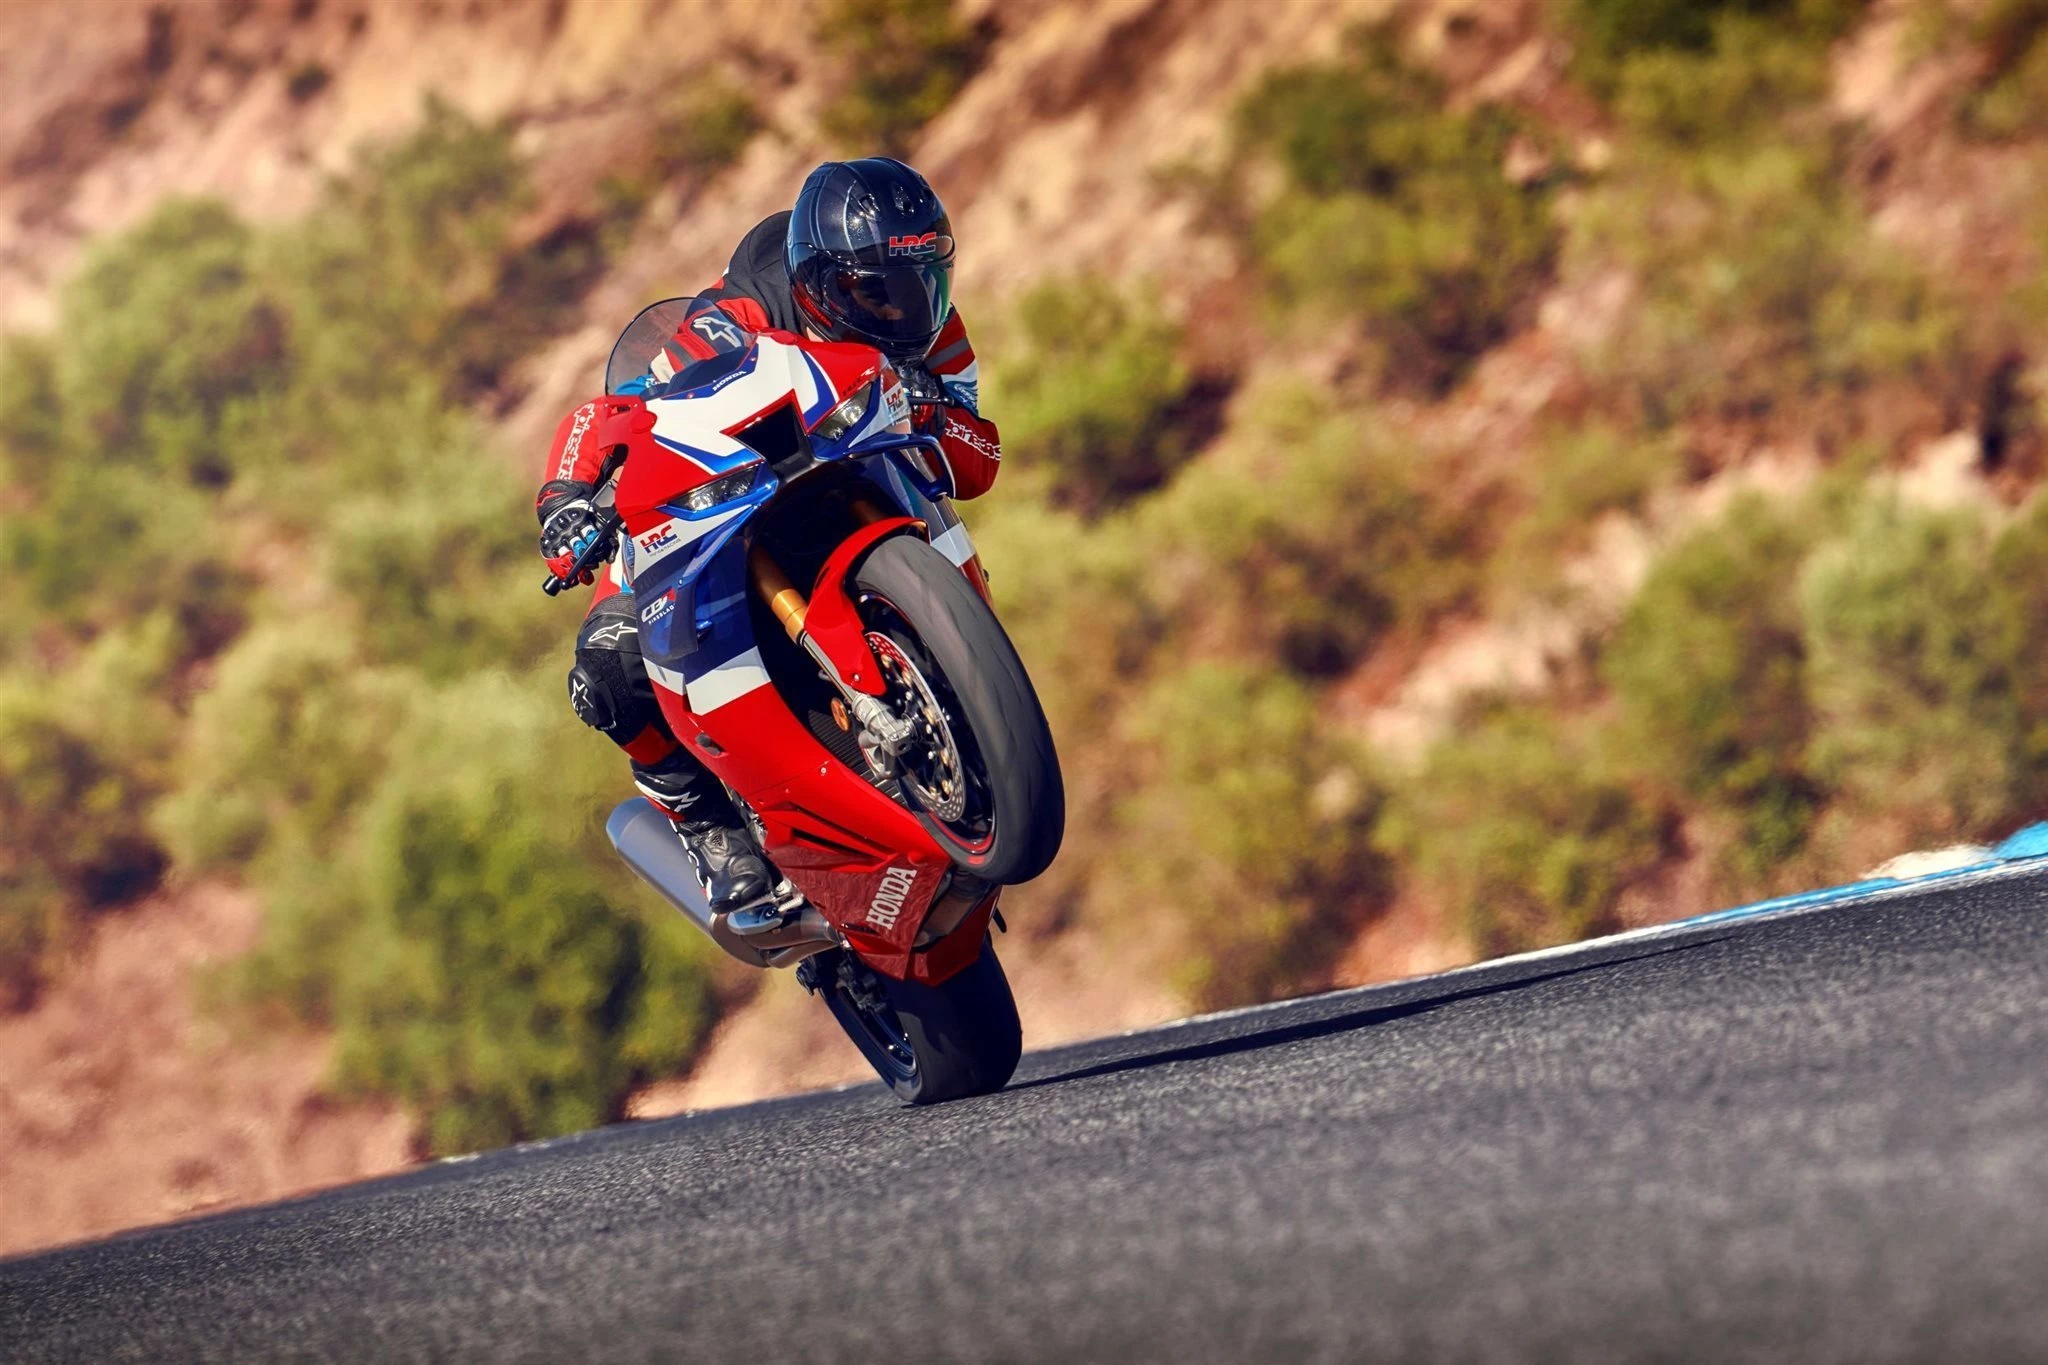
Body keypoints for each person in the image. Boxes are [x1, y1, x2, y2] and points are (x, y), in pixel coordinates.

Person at [534, 158, 1003, 912]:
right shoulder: (738, 312)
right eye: (875, 293)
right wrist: (569, 496)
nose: (901, 312)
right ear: (818, 283)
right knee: (605, 663)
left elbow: (977, 462)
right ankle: (703, 822)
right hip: (724, 493)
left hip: (858, 477)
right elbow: (621, 408)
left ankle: (948, 673)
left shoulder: (932, 325)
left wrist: (932, 410)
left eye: (921, 284)